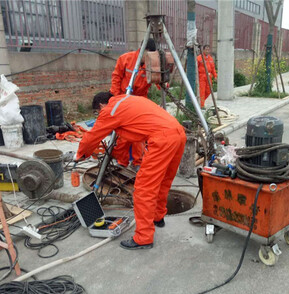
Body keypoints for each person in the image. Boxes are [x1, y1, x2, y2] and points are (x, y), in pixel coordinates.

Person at [76, 92, 186, 250]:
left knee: (143, 189)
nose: (99, 115)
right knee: (163, 181)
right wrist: (120, 158)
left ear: (101, 105)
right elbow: (124, 138)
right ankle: (157, 217)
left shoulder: (110, 110)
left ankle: (143, 238)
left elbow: (93, 135)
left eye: (97, 112)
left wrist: (81, 154)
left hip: (161, 140)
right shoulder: (129, 101)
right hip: (178, 133)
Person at [109, 38, 157, 169]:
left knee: (139, 134)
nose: (148, 58)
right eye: (147, 54)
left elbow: (158, 79)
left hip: (141, 101)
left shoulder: (151, 64)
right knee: (123, 134)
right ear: (142, 50)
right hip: (125, 99)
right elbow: (116, 77)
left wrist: (164, 83)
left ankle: (138, 162)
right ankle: (121, 161)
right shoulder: (125, 59)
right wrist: (115, 97)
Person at [197, 45, 217, 109]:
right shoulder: (199, 58)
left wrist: (215, 76)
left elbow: (213, 68)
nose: (207, 51)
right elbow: (196, 68)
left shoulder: (210, 58)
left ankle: (199, 101)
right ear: (203, 50)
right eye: (206, 49)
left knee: (208, 91)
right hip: (202, 77)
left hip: (209, 77)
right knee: (202, 91)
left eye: (208, 49)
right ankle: (201, 105)